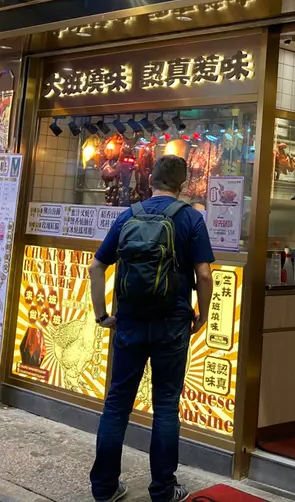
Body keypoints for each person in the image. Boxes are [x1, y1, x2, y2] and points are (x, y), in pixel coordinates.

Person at [88, 155, 215, 502]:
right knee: (166, 406)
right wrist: (202, 314)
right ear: (183, 184)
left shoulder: (128, 215)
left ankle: (104, 488)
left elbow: (96, 266)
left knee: (117, 404)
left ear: (151, 180)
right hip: (172, 324)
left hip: (128, 321)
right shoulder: (191, 218)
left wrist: (102, 316)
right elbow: (204, 275)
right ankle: (163, 490)